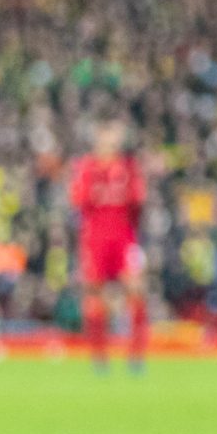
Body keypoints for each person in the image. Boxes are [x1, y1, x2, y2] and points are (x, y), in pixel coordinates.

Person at [67, 120, 149, 374]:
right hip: (95, 238)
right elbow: (77, 201)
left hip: (124, 237)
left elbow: (139, 203)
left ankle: (136, 356)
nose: (109, 143)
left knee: (136, 290)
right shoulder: (85, 168)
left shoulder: (129, 168)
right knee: (94, 295)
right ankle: (99, 357)